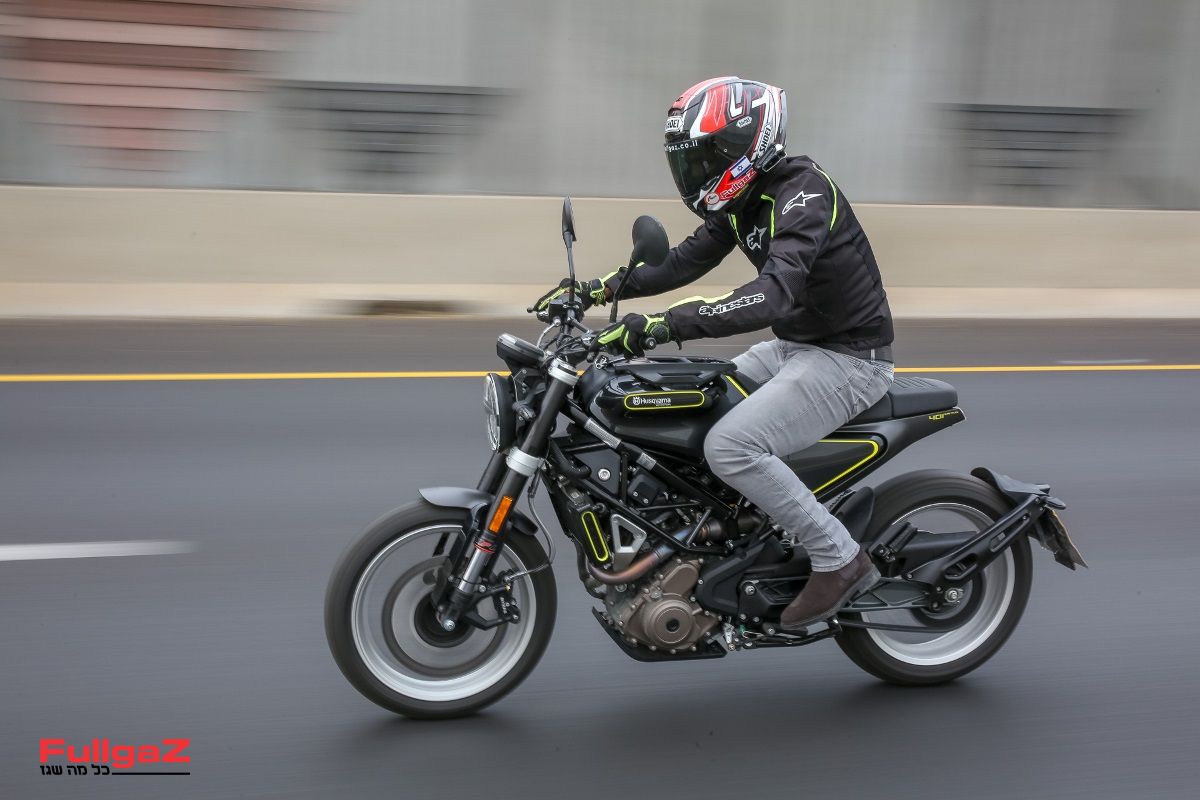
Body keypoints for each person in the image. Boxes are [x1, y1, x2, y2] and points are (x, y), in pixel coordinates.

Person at [534, 77, 895, 630]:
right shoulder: (743, 199)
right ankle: (729, 539)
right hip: (796, 348)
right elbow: (682, 262)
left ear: (747, 144)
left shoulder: (803, 194)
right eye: (688, 161)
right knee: (689, 407)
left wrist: (661, 326)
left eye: (704, 158)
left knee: (730, 446)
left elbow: (772, 295)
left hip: (848, 361)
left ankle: (840, 559)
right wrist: (596, 291)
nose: (695, 172)